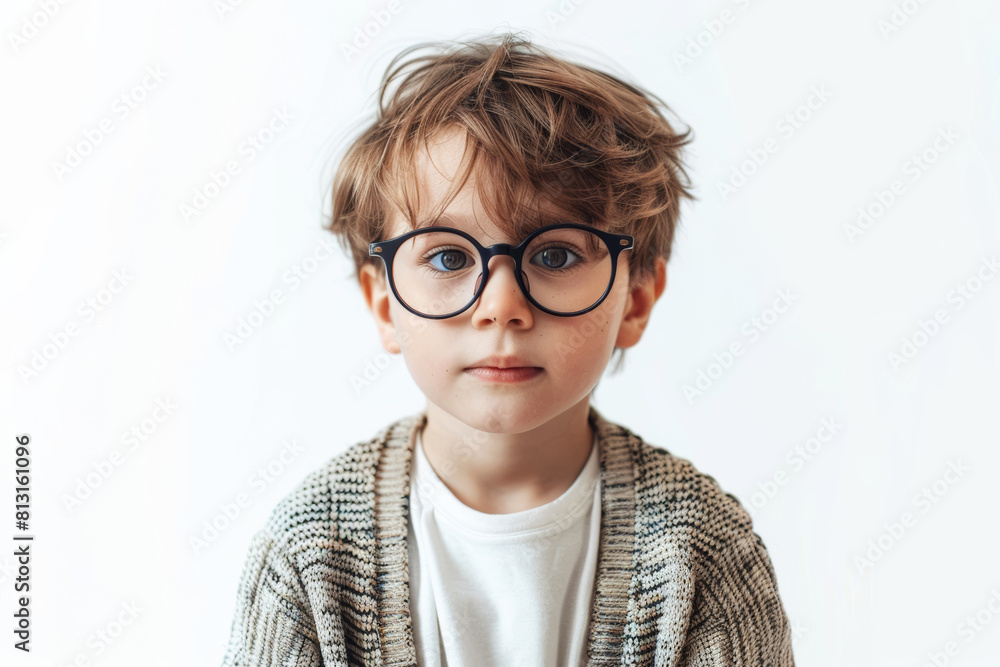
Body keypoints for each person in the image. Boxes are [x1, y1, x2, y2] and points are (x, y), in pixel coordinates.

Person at [221, 30, 795, 666]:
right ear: (385, 306)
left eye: (555, 254)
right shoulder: (309, 554)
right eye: (447, 256)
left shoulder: (703, 553)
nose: (501, 305)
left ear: (634, 300)